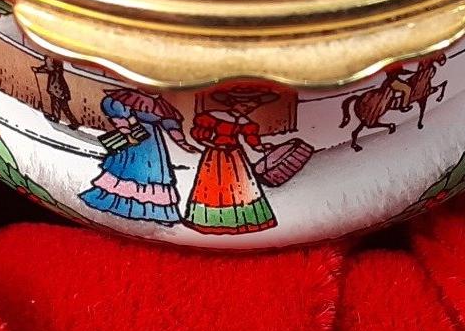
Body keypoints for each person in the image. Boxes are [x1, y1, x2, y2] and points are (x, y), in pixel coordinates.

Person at [80, 88, 197, 226]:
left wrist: (183, 143)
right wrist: (126, 131)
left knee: (153, 174)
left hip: (153, 144)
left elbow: (170, 125)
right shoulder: (128, 97)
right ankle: (117, 205)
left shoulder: (161, 105)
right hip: (134, 139)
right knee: (127, 170)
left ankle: (157, 212)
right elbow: (115, 109)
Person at [183, 87, 279, 236]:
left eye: (251, 108)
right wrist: (213, 145)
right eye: (244, 106)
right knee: (214, 184)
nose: (247, 110)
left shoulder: (245, 123)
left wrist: (261, 147)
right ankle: (211, 220)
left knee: (240, 185)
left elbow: (252, 139)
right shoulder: (215, 116)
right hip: (216, 155)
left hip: (235, 155)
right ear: (233, 103)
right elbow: (200, 135)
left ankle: (241, 220)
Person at [32, 55, 80, 130]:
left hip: (58, 89)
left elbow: (50, 68)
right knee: (58, 105)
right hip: (57, 89)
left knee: (62, 106)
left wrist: (38, 69)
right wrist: (39, 69)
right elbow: (49, 68)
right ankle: (57, 118)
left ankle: (72, 122)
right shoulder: (56, 62)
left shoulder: (55, 62)